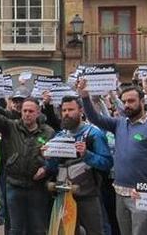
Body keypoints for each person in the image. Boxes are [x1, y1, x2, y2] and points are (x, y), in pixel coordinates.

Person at [79, 80, 147, 235]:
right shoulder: (119, 124)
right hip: (120, 191)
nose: (127, 104)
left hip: (142, 195)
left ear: (142, 101)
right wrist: (85, 97)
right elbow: (95, 119)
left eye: (131, 101)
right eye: (124, 101)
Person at [0, 82, 55, 235]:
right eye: (24, 111)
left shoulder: (48, 132)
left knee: (37, 228)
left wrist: (46, 167)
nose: (27, 114)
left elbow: (55, 160)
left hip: (37, 188)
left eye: (30, 111)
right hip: (14, 186)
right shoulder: (11, 126)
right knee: (15, 229)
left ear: (37, 112)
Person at [43, 96, 113, 235]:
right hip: (63, 195)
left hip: (88, 195)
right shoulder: (59, 137)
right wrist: (48, 157)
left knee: (96, 231)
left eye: (70, 109)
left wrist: (87, 155)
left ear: (81, 111)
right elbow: (53, 167)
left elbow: (107, 163)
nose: (66, 113)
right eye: (64, 110)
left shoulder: (94, 134)